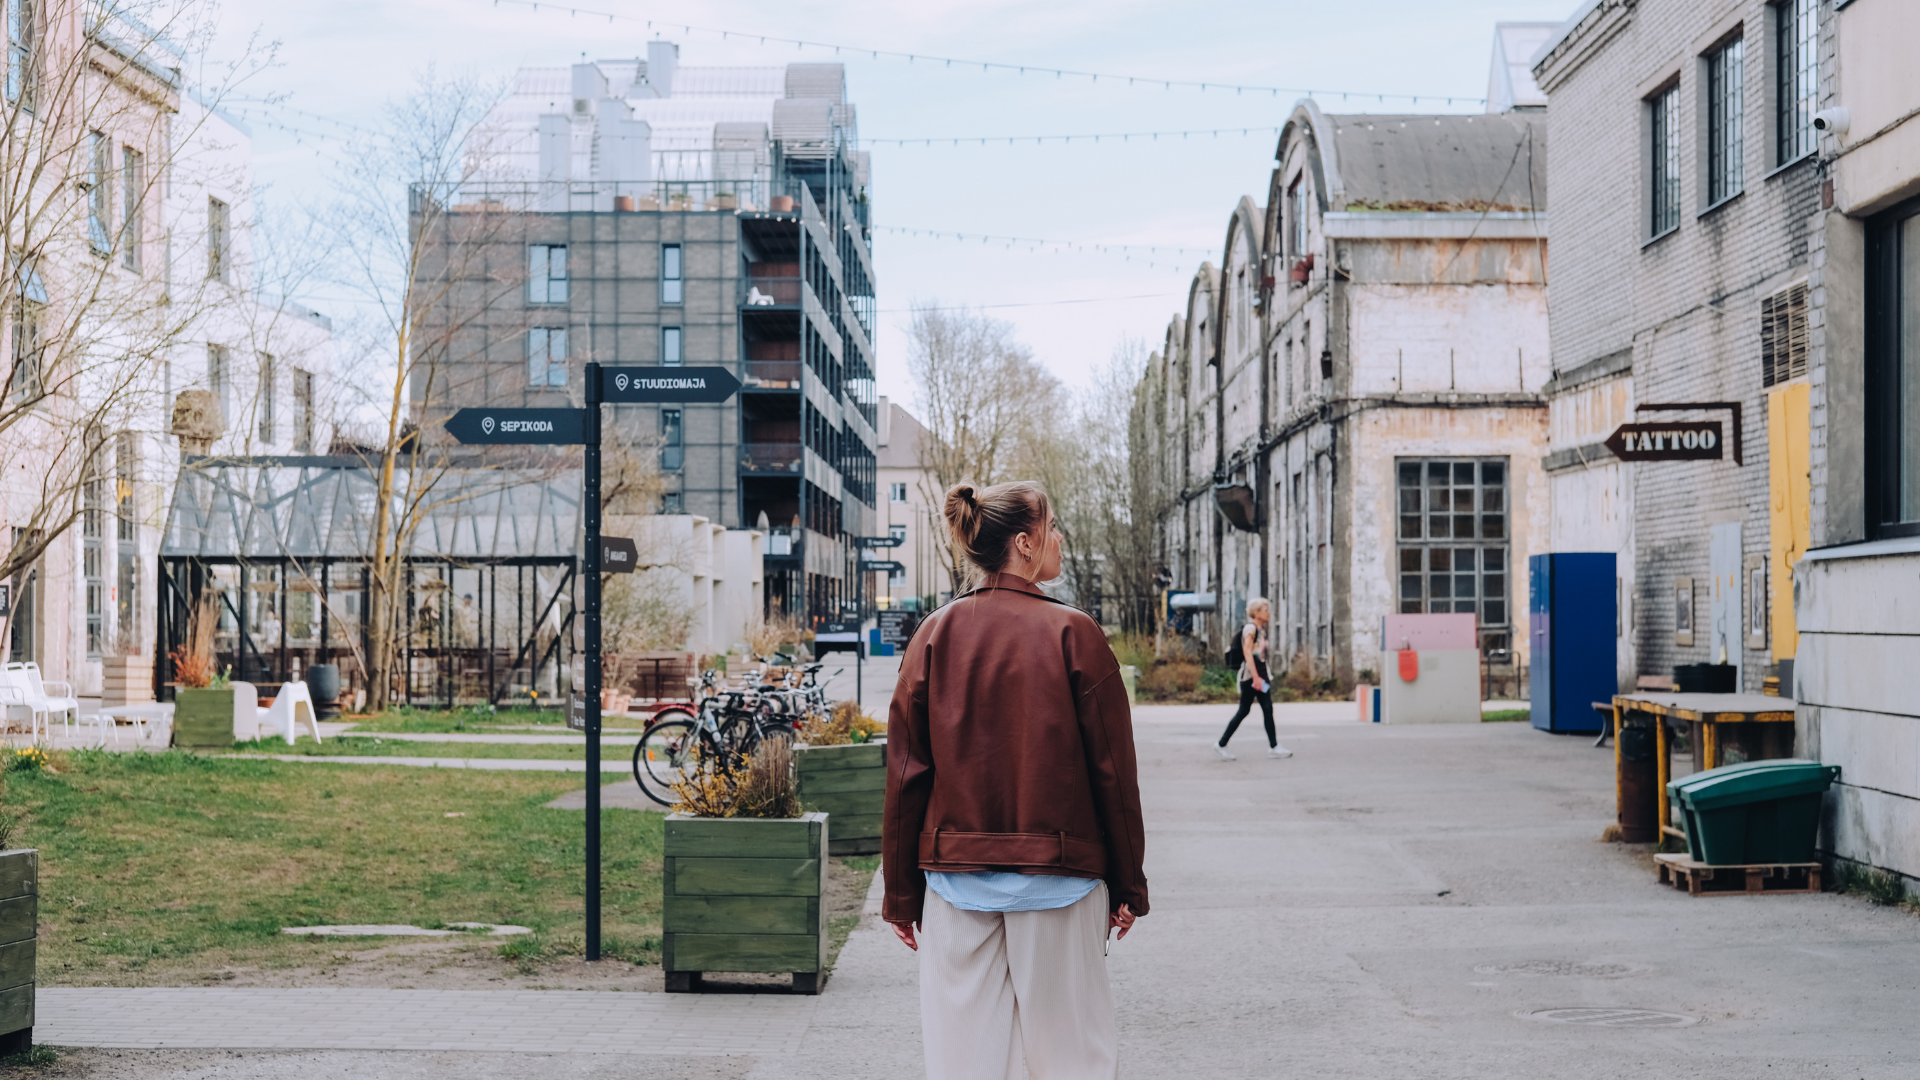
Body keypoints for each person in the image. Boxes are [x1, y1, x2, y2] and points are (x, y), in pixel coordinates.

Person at [883, 480, 1149, 1080]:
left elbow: (905, 776)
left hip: (955, 886)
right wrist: (1130, 885)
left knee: (966, 1062)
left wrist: (901, 894)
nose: (1060, 540)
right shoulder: (1074, 634)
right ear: (1026, 545)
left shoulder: (933, 635)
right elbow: (1114, 775)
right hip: (1061, 884)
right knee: (1072, 1059)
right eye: (1053, 529)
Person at [1216, 597, 1291, 760]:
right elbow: (1247, 653)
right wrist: (1256, 678)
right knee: (1248, 710)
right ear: (1256, 613)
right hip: (1252, 675)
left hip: (1260, 673)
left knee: (1263, 709)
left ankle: (1273, 747)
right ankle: (1222, 744)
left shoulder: (1260, 630)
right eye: (1265, 610)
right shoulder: (1251, 629)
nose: (1268, 613)